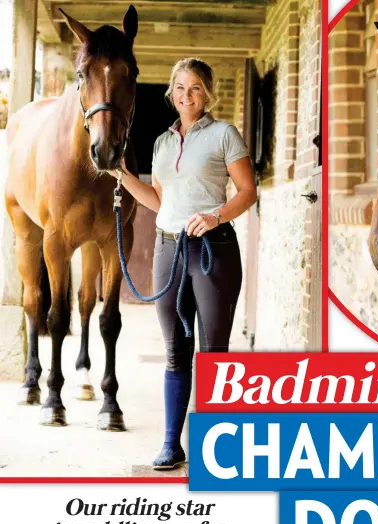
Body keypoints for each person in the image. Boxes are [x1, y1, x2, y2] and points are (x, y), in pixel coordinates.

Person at [112, 58, 257, 469]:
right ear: (171, 93)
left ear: (207, 93)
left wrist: (216, 216)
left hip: (214, 250)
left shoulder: (224, 134)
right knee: (176, 351)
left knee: (213, 353)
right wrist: (124, 177)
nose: (185, 95)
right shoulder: (161, 143)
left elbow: (248, 191)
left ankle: (216, 447)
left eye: (194, 87)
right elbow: (161, 202)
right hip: (168, 250)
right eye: (179, 87)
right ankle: (171, 444)